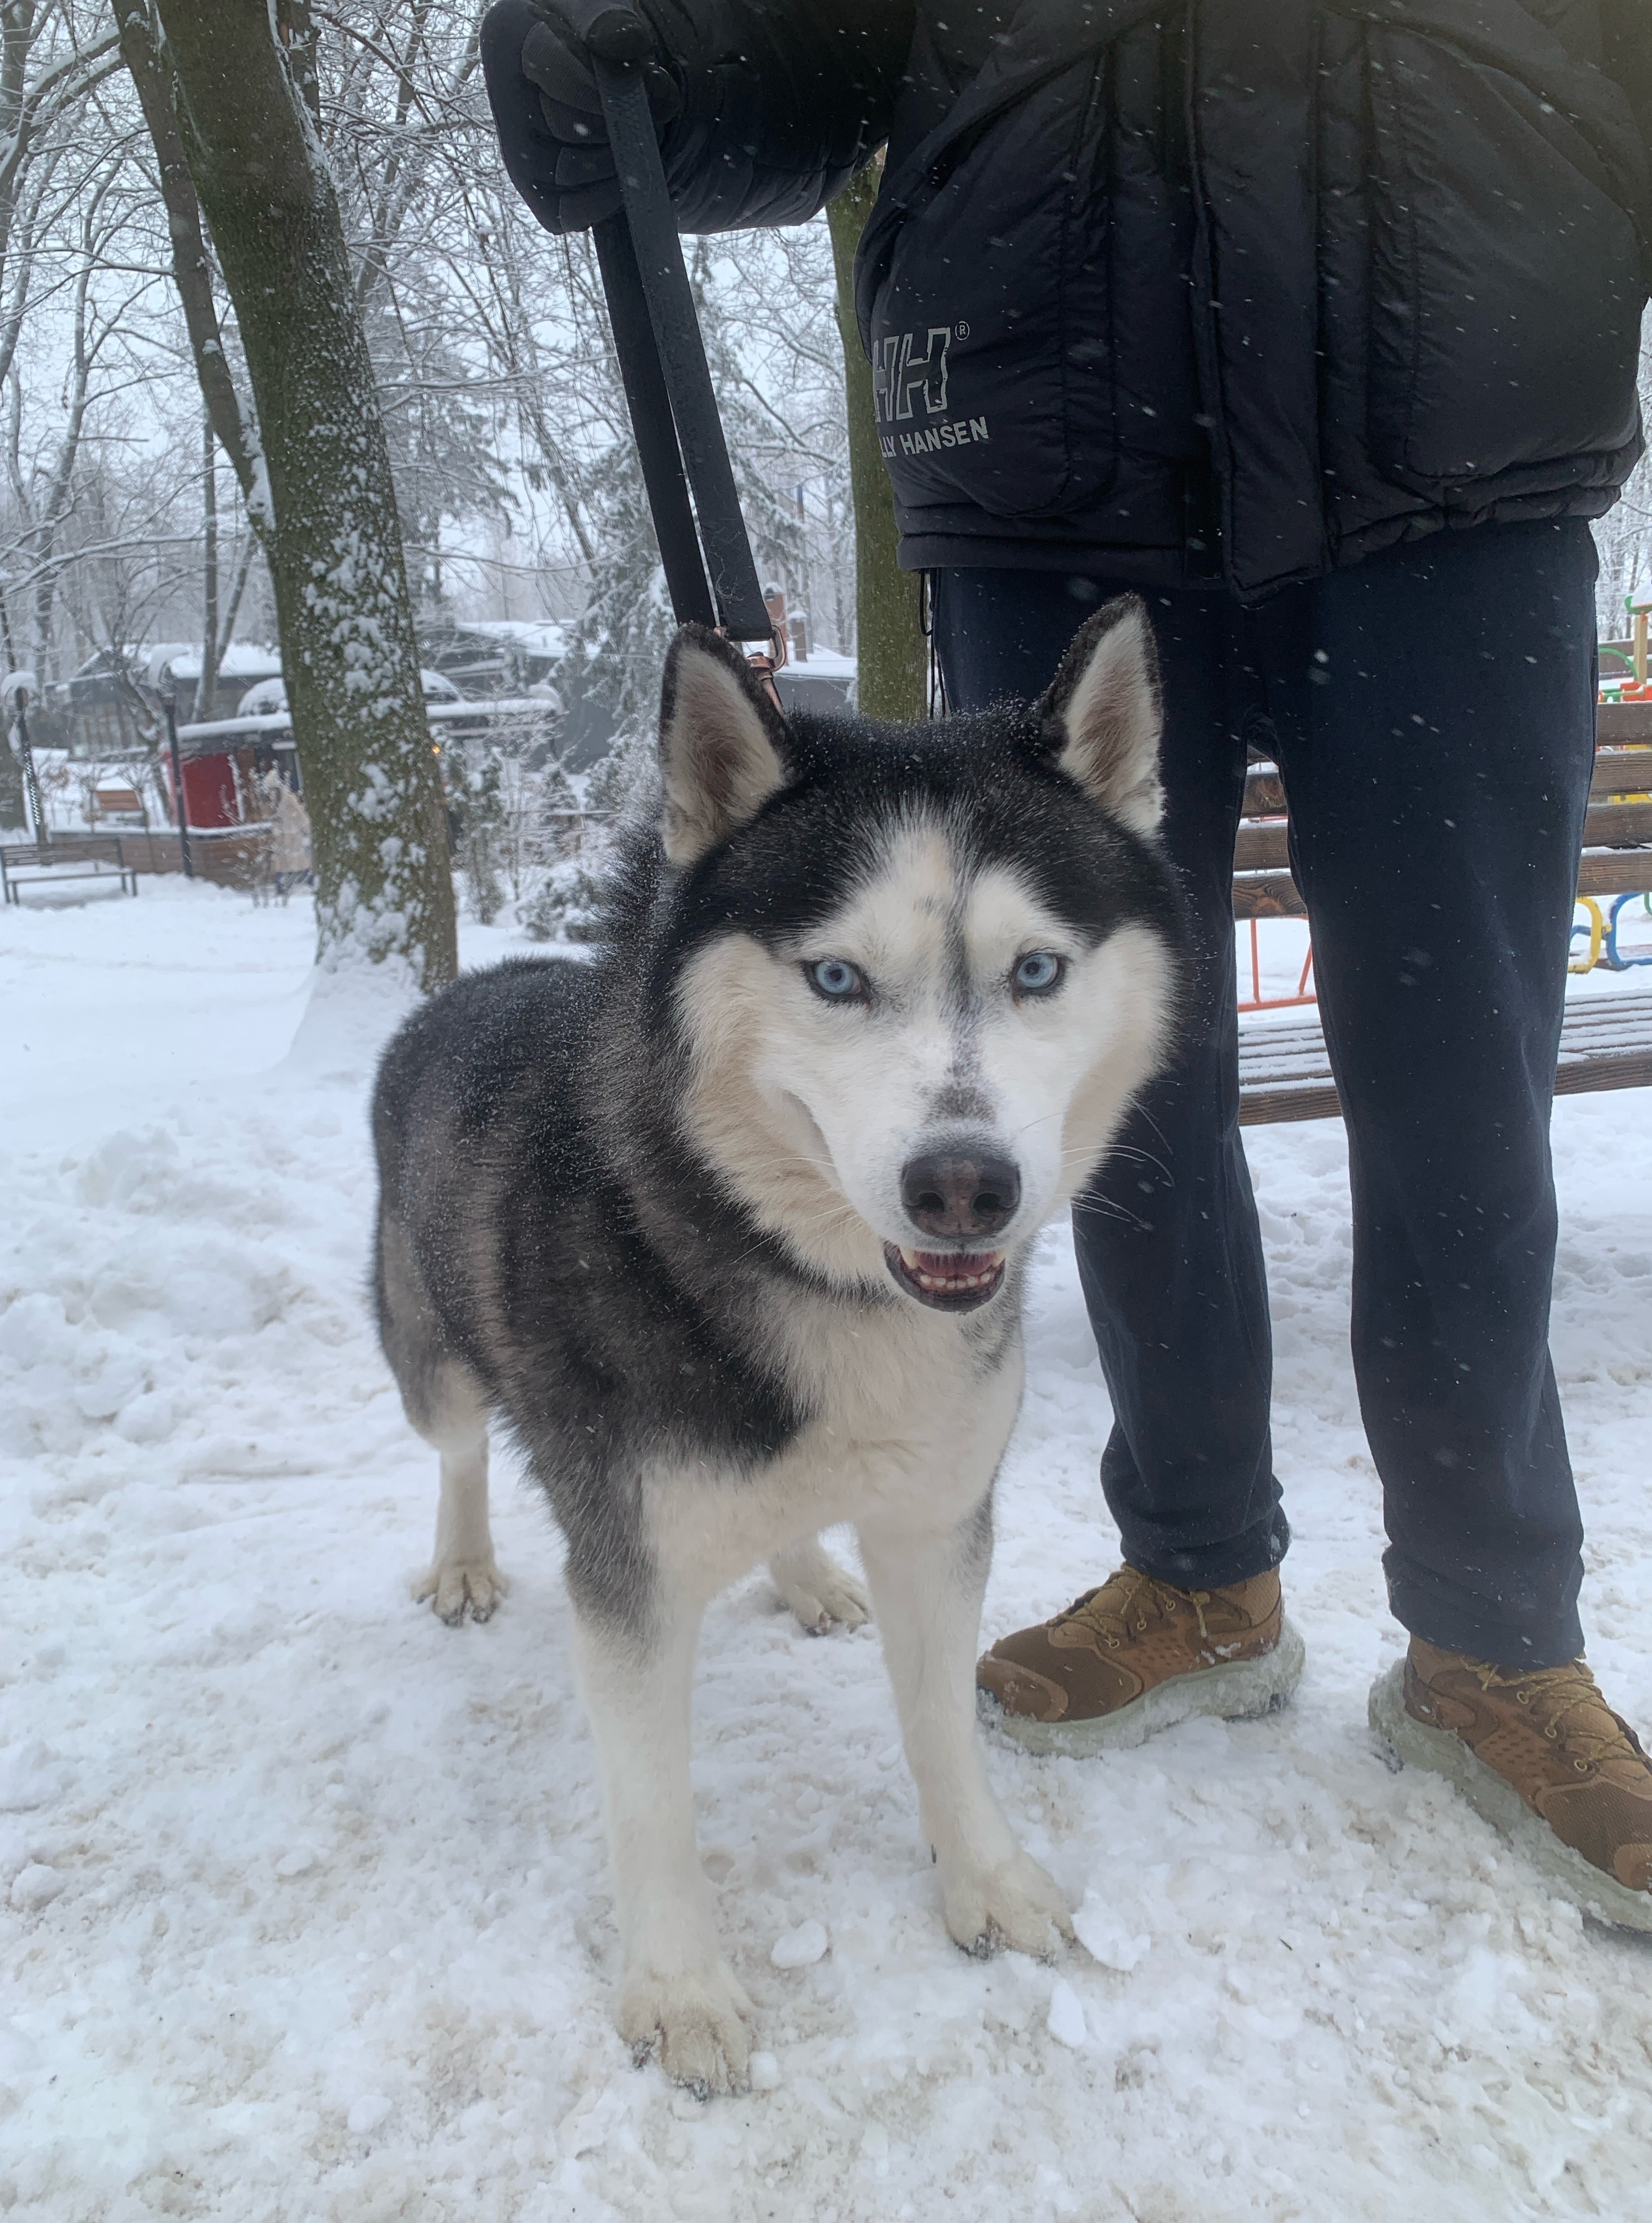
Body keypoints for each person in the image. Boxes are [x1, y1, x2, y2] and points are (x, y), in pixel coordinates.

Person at [482, 0, 1652, 1919]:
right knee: (1086, 1101)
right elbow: (824, 50)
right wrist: (639, 64)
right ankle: (1198, 1568)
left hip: (1463, 463)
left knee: (1466, 1093)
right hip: (1059, 472)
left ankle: (1494, 1643)